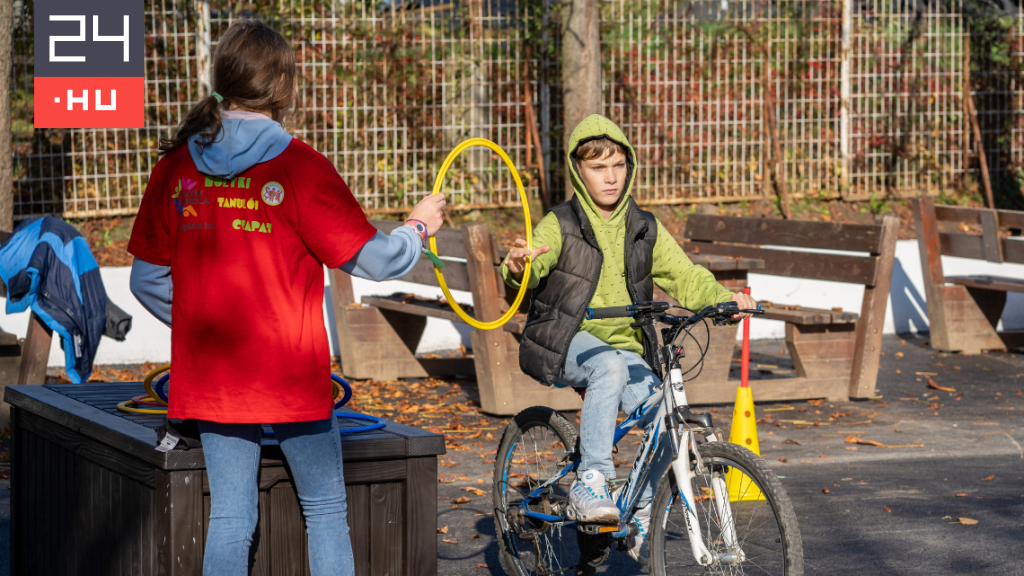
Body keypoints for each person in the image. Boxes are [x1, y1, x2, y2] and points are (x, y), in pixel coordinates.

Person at [127, 20, 445, 576]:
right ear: (282, 84)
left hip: (215, 378)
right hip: (291, 375)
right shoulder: (299, 165)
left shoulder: (176, 166)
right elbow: (377, 259)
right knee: (324, 510)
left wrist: (206, 323)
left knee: (230, 517)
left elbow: (146, 281)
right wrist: (418, 227)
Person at [500, 114, 756, 565]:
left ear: (629, 165)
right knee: (610, 367)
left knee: (665, 409)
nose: (611, 176)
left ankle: (636, 508)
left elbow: (685, 275)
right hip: (566, 338)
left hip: (627, 345)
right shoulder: (560, 223)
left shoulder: (644, 226)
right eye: (599, 167)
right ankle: (592, 480)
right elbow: (528, 269)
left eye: (617, 163)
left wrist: (722, 299)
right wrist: (519, 265)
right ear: (579, 172)